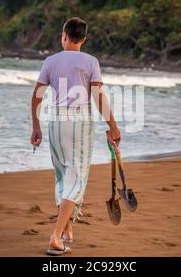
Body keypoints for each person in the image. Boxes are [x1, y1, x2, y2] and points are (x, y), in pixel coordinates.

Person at [30, 17, 120, 255]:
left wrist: (36, 127)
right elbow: (99, 96)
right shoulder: (90, 61)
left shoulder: (50, 61)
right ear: (83, 39)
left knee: (61, 174)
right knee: (77, 178)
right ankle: (56, 236)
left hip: (56, 120)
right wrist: (113, 125)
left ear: (64, 35)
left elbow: (37, 96)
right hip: (79, 121)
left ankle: (68, 229)